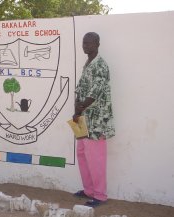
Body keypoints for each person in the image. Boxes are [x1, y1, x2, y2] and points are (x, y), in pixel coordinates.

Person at [73, 32, 115, 207]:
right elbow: (81, 88)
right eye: (84, 43)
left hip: (97, 121)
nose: (85, 46)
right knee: (82, 154)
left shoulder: (101, 65)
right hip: (83, 118)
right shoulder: (87, 63)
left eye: (89, 43)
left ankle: (100, 195)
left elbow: (95, 93)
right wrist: (76, 110)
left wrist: (80, 108)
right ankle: (89, 190)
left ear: (98, 44)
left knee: (96, 158)